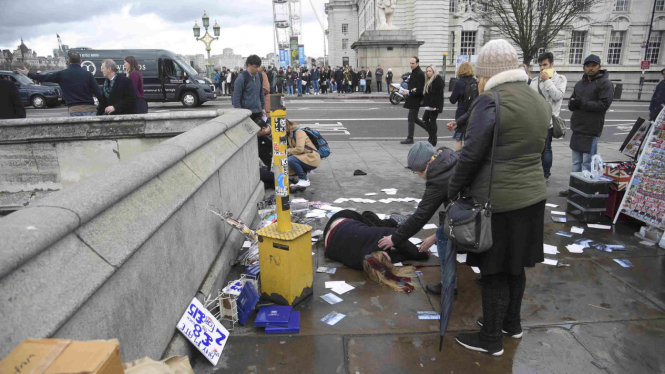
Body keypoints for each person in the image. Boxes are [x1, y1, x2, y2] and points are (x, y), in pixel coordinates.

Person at [448, 39, 550, 356]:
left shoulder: (490, 101)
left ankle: (491, 339)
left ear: (487, 73)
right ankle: (511, 325)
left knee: (493, 270)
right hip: (532, 197)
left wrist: (452, 189)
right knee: (515, 266)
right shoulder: (535, 98)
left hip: (498, 201)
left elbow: (471, 154)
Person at [378, 142, 459, 295]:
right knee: (442, 232)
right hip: (483, 206)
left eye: (416, 172)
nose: (419, 176)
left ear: (423, 168)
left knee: (444, 238)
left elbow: (421, 216)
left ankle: (449, 286)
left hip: (474, 214)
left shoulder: (437, 178)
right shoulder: (448, 156)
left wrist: (395, 238)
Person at [324, 210, 428, 286]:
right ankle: (392, 220)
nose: (390, 256)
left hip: (342, 219)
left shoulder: (376, 240)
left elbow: (395, 235)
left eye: (388, 256)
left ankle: (393, 221)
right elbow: (393, 257)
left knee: (368, 214)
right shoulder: (363, 263)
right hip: (328, 240)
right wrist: (401, 256)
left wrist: (419, 254)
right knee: (373, 224)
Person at [562, 54, 614, 190]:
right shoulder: (580, 83)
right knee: (576, 162)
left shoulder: (605, 83)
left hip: (591, 128)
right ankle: (573, 188)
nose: (590, 68)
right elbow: (572, 101)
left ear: (599, 67)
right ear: (584, 67)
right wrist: (573, 104)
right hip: (578, 127)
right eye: (588, 66)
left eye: (594, 65)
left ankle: (582, 189)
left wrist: (582, 103)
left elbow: (603, 105)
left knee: (587, 162)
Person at [18, 51, 101, 116]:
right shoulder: (88, 74)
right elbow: (98, 93)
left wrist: (28, 74)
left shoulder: (61, 74)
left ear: (68, 62)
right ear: (80, 61)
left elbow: (44, 78)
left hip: (74, 109)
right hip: (90, 109)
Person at [529, 52, 567, 182]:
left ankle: (545, 173)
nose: (542, 68)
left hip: (549, 120)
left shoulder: (561, 79)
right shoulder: (534, 81)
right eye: (540, 65)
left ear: (551, 64)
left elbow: (557, 96)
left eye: (544, 65)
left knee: (546, 148)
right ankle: (534, 171)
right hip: (535, 120)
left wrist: (547, 81)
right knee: (534, 148)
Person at [447, 62, 478, 151]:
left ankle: (458, 157)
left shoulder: (459, 83)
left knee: (458, 137)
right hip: (472, 112)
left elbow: (452, 100)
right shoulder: (475, 82)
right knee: (469, 137)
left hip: (461, 113)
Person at [286, 119, 320, 189]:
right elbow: (291, 147)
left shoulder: (299, 132)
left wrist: (287, 151)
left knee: (290, 160)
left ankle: (304, 179)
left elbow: (299, 149)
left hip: (311, 157)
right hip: (304, 156)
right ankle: (298, 179)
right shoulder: (290, 133)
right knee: (288, 158)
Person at [401, 56, 427, 145]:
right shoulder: (414, 72)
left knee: (411, 118)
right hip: (412, 98)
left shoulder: (420, 73)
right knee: (414, 118)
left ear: (417, 63)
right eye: (410, 63)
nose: (411, 65)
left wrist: (408, 92)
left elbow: (419, 89)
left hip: (416, 99)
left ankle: (410, 138)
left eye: (413, 63)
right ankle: (428, 128)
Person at [420, 65, 445, 146]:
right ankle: (432, 136)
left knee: (432, 120)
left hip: (434, 105)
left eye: (430, 71)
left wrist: (432, 105)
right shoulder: (430, 79)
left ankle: (433, 138)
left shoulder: (436, 80)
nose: (428, 73)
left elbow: (437, 95)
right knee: (425, 119)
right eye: (427, 71)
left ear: (433, 71)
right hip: (430, 104)